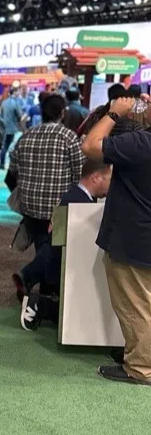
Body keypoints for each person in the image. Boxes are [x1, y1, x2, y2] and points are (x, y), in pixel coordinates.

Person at [82, 96, 151, 387]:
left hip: (134, 236)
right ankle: (138, 354)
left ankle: (141, 368)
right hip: (141, 235)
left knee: (135, 305)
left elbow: (91, 145)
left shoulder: (142, 144)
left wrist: (113, 113)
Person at [20, 159, 112, 331]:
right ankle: (40, 305)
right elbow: (57, 238)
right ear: (96, 178)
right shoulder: (79, 203)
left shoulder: (73, 196)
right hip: (64, 268)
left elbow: (53, 232)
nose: (111, 186)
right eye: (109, 180)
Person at [10, 95, 85, 300]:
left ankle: (44, 289)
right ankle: (32, 279)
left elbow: (14, 168)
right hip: (58, 204)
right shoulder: (68, 137)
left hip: (30, 203)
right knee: (54, 248)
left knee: (44, 245)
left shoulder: (27, 136)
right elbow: (79, 172)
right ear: (63, 113)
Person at [0, 87, 26, 170]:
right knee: (13, 147)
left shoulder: (4, 102)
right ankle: (13, 165)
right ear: (14, 92)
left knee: (5, 146)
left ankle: (2, 164)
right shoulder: (15, 103)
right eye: (17, 91)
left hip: (5, 127)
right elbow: (19, 116)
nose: (18, 93)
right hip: (14, 128)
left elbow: (1, 115)